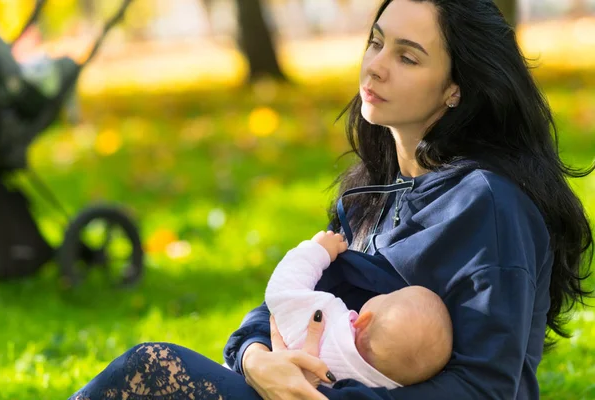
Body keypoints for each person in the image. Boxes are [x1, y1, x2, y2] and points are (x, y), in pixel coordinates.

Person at [68, 0, 594, 399]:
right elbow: (286, 300)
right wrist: (255, 359)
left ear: (456, 89)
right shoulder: (370, 194)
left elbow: (488, 387)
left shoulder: (487, 204)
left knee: (150, 370)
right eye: (376, 42)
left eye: (408, 57)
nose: (376, 66)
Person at [266, 230, 453, 388]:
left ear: (363, 320)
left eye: (388, 296)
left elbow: (281, 291)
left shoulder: (326, 325)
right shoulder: (379, 388)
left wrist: (316, 251)